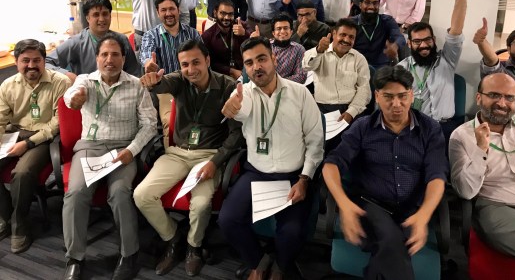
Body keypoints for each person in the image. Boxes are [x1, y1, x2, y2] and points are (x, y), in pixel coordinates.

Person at [323, 65, 448, 280]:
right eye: (388, 97)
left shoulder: (429, 129)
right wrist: (344, 205)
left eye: (402, 96)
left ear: (411, 95)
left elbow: (436, 176)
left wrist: (424, 215)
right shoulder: (363, 127)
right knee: (391, 240)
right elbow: (331, 165)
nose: (396, 104)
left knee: (392, 245)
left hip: (411, 208)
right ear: (377, 96)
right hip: (372, 205)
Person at [135, 39, 244, 277]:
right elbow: (162, 83)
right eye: (185, 65)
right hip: (178, 153)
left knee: (201, 203)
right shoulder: (179, 80)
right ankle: (173, 237)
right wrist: (153, 80)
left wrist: (215, 163)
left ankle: (194, 247)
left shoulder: (226, 86)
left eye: (196, 62)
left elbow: (236, 135)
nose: (191, 69)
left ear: (207, 60)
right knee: (141, 195)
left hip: (209, 155)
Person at [219, 37, 324, 280]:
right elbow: (240, 108)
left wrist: (305, 179)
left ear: (274, 59)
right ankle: (257, 261)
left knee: (292, 231)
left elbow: (315, 141)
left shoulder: (300, 93)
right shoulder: (243, 94)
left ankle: (281, 266)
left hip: (293, 176)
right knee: (227, 220)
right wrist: (233, 108)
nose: (257, 67)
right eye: (249, 63)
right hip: (257, 173)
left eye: (262, 59)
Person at [62, 33, 157, 280]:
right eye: (104, 54)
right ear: (97, 58)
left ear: (124, 59)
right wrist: (75, 99)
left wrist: (132, 150)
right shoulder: (85, 81)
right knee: (75, 193)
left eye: (115, 54)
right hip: (90, 147)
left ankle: (129, 254)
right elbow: (71, 96)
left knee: (120, 193)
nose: (109, 60)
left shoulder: (136, 85)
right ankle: (75, 258)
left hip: (122, 150)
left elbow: (150, 124)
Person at [449, 73, 515, 278]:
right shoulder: (461, 136)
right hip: (498, 209)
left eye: (509, 97)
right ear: (479, 97)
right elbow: (465, 191)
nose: (502, 103)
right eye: (494, 95)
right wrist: (480, 150)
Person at [0, 39, 71, 254]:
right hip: (15, 132)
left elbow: (57, 123)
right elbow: (1, 118)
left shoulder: (60, 82)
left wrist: (28, 143)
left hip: (43, 138)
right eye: (25, 61)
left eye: (36, 60)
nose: (31, 65)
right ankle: (5, 215)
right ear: (16, 62)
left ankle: (20, 225)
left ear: (44, 61)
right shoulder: (8, 85)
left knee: (22, 173)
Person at [398, 0, 468, 144]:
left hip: (444, 129)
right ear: (409, 44)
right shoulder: (401, 69)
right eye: (417, 41)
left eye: (427, 40)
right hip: (412, 128)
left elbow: (455, 32)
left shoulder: (447, 60)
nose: (423, 45)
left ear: (434, 40)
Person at [139, 0, 201, 145]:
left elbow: (203, 60)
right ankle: (172, 153)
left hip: (193, 85)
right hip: (166, 88)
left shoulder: (192, 33)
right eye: (164, 10)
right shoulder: (151, 36)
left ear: (178, 10)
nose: (168, 13)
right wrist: (148, 64)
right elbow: (146, 55)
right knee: (169, 121)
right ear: (157, 12)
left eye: (172, 9)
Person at [46, 0, 141, 81]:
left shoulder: (122, 39)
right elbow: (47, 63)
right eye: (96, 15)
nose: (101, 19)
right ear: (87, 18)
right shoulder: (76, 43)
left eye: (105, 14)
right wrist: (66, 74)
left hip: (119, 91)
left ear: (110, 16)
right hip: (87, 92)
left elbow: (134, 72)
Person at [302, 18, 371, 124]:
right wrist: (319, 50)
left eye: (351, 37)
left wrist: (351, 112)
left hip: (351, 109)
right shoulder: (319, 52)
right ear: (334, 34)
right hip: (322, 109)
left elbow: (364, 89)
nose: (346, 40)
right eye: (343, 35)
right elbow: (307, 66)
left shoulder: (359, 59)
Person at [474, 24, 515, 117]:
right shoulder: (498, 72)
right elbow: (491, 59)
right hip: (505, 123)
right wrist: (482, 41)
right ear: (509, 49)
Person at [351, 0, 405, 69]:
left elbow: (400, 37)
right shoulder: (351, 22)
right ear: (360, 5)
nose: (371, 7)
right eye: (367, 2)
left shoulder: (387, 20)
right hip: (356, 65)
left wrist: (395, 46)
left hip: (381, 67)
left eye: (375, 3)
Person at [202, 0, 250, 80]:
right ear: (215, 13)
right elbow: (209, 63)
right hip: (221, 78)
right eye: (223, 13)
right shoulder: (207, 36)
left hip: (245, 72)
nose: (227, 17)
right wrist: (231, 71)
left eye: (230, 14)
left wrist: (244, 34)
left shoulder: (242, 26)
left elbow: (254, 45)